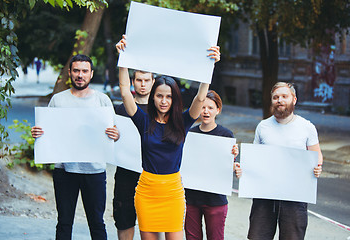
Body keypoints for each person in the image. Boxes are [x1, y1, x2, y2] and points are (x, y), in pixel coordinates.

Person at [116, 35, 220, 240]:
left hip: (172, 192)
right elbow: (125, 93)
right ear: (153, 97)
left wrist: (210, 66)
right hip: (146, 192)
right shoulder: (143, 120)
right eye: (159, 95)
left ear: (175, 99)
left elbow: (200, 97)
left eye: (169, 96)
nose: (164, 101)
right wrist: (123, 60)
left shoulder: (183, 120)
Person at [31, 54, 119, 240]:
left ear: (91, 74)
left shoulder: (102, 101)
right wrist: (39, 133)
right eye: (76, 70)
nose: (80, 75)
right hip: (64, 171)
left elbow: (115, 133)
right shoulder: (58, 100)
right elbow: (48, 131)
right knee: (64, 222)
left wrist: (116, 135)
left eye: (84, 71)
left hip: (94, 171)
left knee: (97, 223)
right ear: (70, 73)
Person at [244, 82, 323, 240]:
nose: (279, 100)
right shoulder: (263, 126)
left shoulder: (307, 127)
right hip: (264, 195)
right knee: (257, 237)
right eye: (275, 97)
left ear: (294, 99)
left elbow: (316, 156)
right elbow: (254, 158)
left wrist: (317, 167)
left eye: (284, 96)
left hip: (295, 196)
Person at [184, 90, 240, 240]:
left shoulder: (226, 136)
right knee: (192, 237)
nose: (206, 111)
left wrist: (233, 159)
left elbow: (228, 166)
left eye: (210, 108)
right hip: (191, 198)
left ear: (218, 110)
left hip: (215, 200)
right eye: (202, 107)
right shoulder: (190, 134)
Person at [113, 69, 155, 240]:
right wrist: (112, 136)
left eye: (147, 80)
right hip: (125, 175)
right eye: (139, 80)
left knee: (153, 225)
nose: (143, 84)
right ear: (132, 81)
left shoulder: (161, 109)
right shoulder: (120, 110)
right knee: (124, 221)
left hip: (152, 176)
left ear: (153, 82)